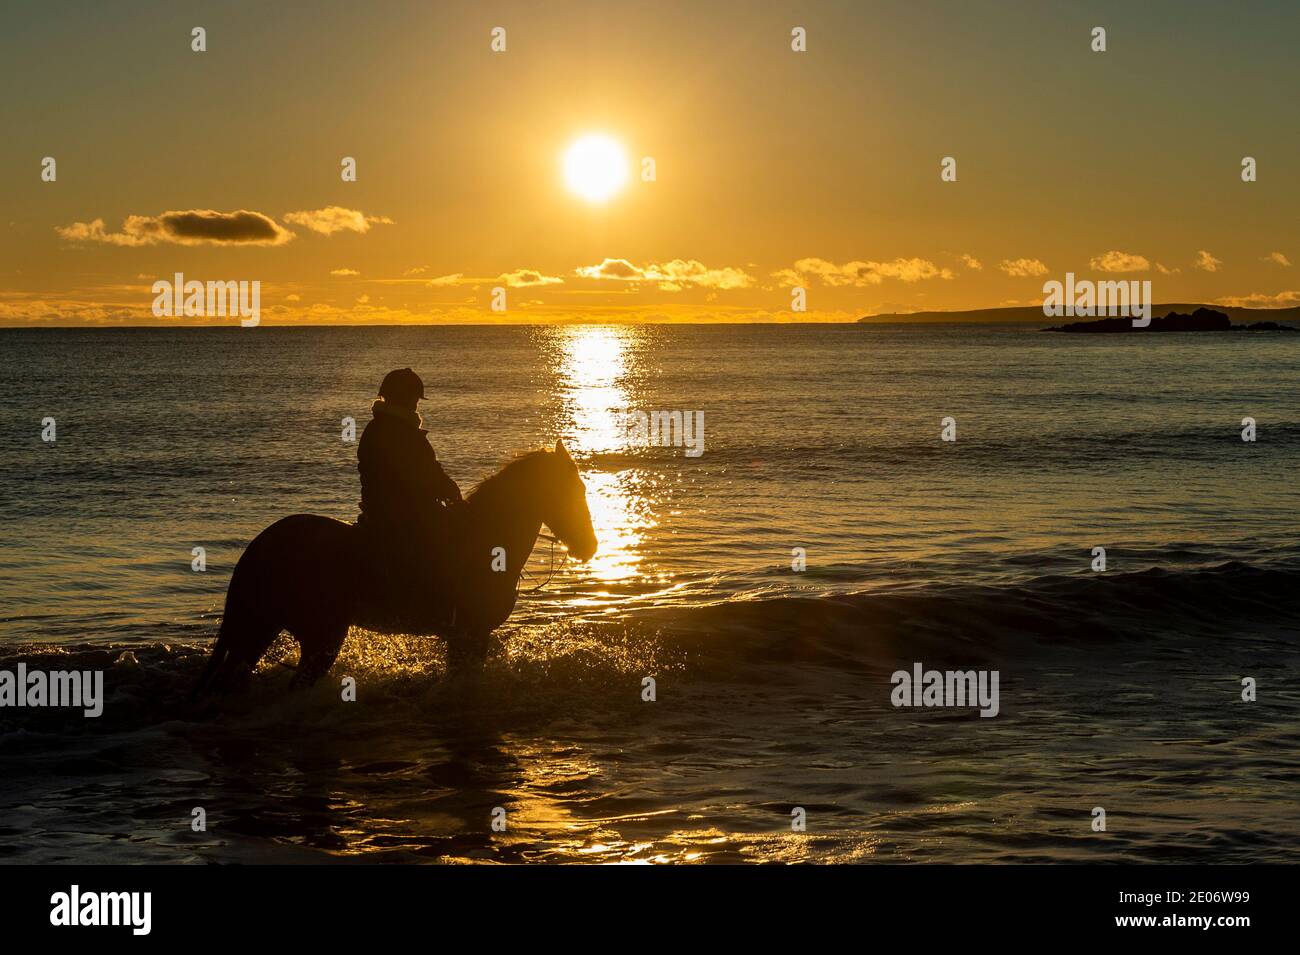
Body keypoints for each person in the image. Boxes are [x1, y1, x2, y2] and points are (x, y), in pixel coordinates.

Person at [355, 368, 462, 625]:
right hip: (401, 511)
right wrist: (448, 491)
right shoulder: (400, 431)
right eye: (414, 398)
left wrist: (444, 487)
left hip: (386, 507)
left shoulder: (383, 427)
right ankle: (440, 608)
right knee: (451, 544)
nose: (416, 404)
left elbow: (424, 471)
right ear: (404, 398)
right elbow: (421, 472)